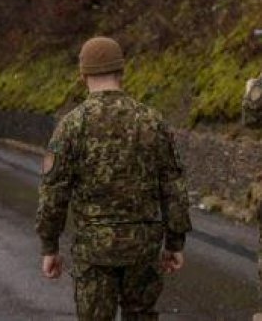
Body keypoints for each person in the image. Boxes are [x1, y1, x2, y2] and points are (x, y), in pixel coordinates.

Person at [36, 36, 191, 320]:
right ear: (122, 72)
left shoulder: (71, 126)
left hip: (94, 252)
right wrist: (175, 242)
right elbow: (173, 186)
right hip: (143, 248)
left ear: (83, 75)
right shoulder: (152, 121)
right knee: (141, 314)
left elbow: (54, 193)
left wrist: (50, 247)